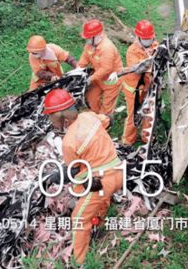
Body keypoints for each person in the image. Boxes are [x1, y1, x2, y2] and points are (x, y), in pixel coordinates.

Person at [43, 89, 123, 265]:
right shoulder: (89, 116)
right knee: (101, 201)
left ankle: (81, 261)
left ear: (61, 116)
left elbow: (72, 171)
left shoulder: (69, 142)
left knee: (78, 218)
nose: (50, 121)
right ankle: (98, 225)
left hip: (102, 181)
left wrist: (54, 177)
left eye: (51, 116)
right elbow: (109, 120)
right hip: (118, 172)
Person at [113, 20, 158, 145]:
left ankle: (147, 137)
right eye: (145, 39)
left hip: (148, 87)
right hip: (134, 89)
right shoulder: (132, 51)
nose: (148, 41)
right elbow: (138, 69)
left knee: (149, 113)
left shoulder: (155, 46)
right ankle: (128, 141)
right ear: (138, 37)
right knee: (133, 115)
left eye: (150, 38)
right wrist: (151, 61)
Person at [78, 19, 123, 118]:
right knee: (91, 100)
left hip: (111, 81)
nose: (87, 41)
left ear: (99, 36)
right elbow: (84, 58)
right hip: (98, 78)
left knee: (106, 108)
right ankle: (95, 119)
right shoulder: (90, 44)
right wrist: (78, 70)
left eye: (89, 38)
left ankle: (104, 125)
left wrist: (90, 79)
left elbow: (106, 68)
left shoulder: (107, 48)